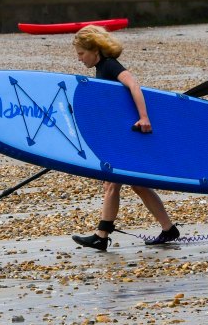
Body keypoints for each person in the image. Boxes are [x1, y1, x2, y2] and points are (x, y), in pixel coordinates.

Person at [71, 26, 179, 251]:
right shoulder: (101, 69)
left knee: (112, 183)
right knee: (138, 185)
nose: (79, 58)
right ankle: (169, 229)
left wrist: (144, 117)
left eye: (81, 53)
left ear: (95, 50)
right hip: (121, 135)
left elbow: (133, 84)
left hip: (128, 135)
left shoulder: (109, 65)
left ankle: (101, 235)